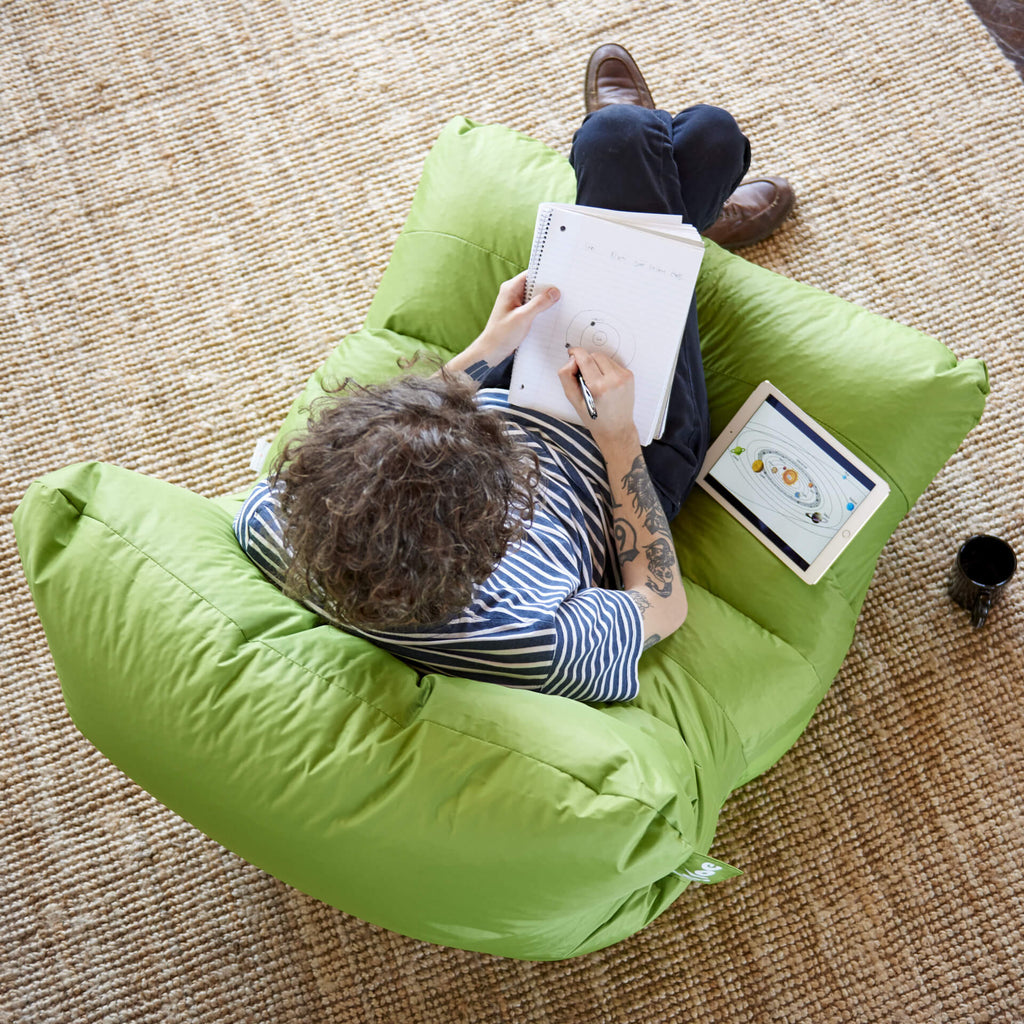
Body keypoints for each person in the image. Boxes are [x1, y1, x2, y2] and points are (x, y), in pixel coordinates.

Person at [234, 44, 795, 703]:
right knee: (685, 139)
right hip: (630, 449)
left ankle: (685, 220)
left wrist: (486, 350)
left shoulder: (279, 524)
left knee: (644, 141)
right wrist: (617, 437)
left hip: (515, 382)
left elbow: (400, 430)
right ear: (491, 544)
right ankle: (687, 223)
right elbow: (662, 605)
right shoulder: (536, 643)